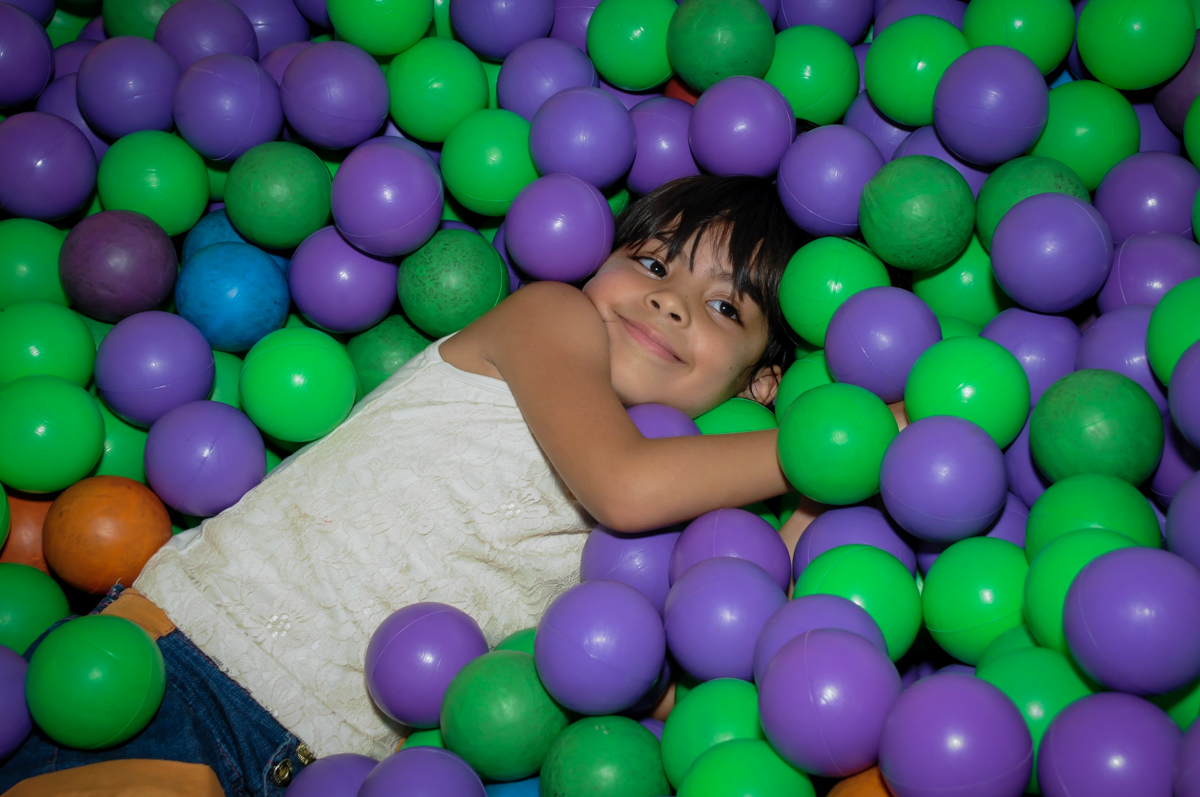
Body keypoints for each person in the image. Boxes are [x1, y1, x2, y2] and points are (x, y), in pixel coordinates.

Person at [0, 175, 807, 796]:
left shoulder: (689, 499)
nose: (669, 301)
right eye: (653, 262)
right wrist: (832, 450)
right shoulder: (549, 319)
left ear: (760, 384)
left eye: (725, 308)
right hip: (172, 679)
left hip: (334, 770)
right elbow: (623, 485)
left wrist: (814, 512)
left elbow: (717, 642)